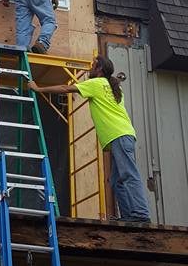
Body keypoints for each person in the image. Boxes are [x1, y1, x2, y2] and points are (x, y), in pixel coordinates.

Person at [29, 54, 151, 222]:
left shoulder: (97, 83)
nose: (90, 69)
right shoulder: (114, 87)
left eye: (93, 66)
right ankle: (129, 217)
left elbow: (66, 88)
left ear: (99, 69)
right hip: (122, 135)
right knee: (116, 181)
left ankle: (140, 214)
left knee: (128, 174)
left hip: (119, 135)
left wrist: (38, 89)